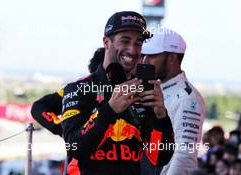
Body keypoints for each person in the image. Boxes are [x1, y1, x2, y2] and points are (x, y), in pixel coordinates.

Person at [60, 11, 174, 175]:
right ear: (106, 42)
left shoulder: (143, 91)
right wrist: (109, 110)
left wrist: (162, 117)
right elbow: (75, 147)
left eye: (138, 43)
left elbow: (159, 158)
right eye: (125, 41)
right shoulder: (78, 89)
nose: (133, 50)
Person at [141, 28, 206, 175]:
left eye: (152, 56)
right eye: (144, 56)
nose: (146, 61)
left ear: (172, 58)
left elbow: (184, 156)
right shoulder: (157, 89)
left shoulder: (187, 98)